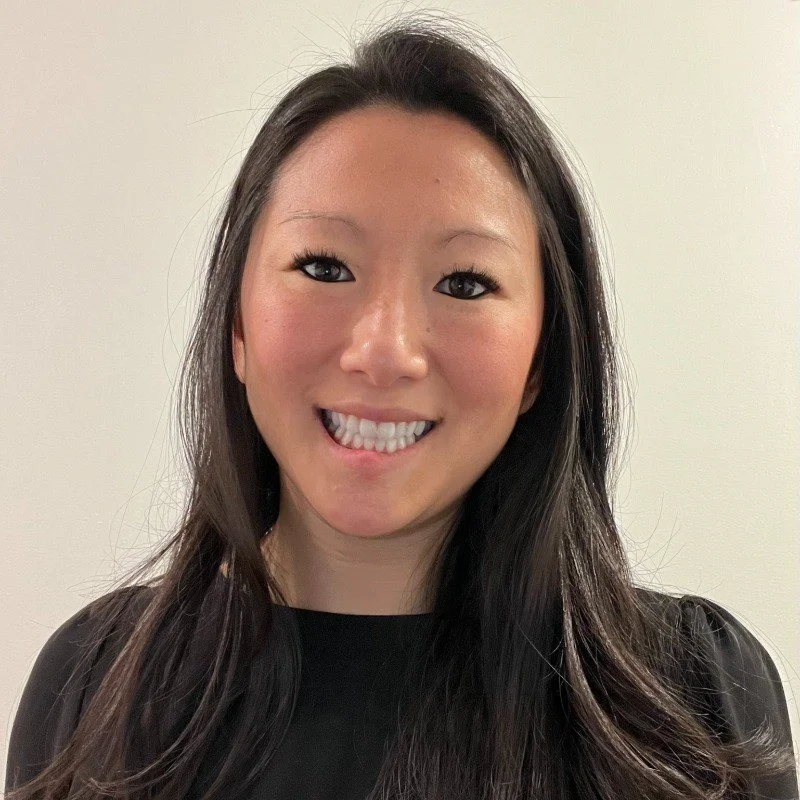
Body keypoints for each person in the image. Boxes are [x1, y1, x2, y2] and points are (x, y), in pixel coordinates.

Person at [5, 12, 797, 800]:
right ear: (238, 329)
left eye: (464, 283)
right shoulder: (94, 692)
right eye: (323, 266)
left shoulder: (696, 705)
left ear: (538, 363)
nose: (384, 352)